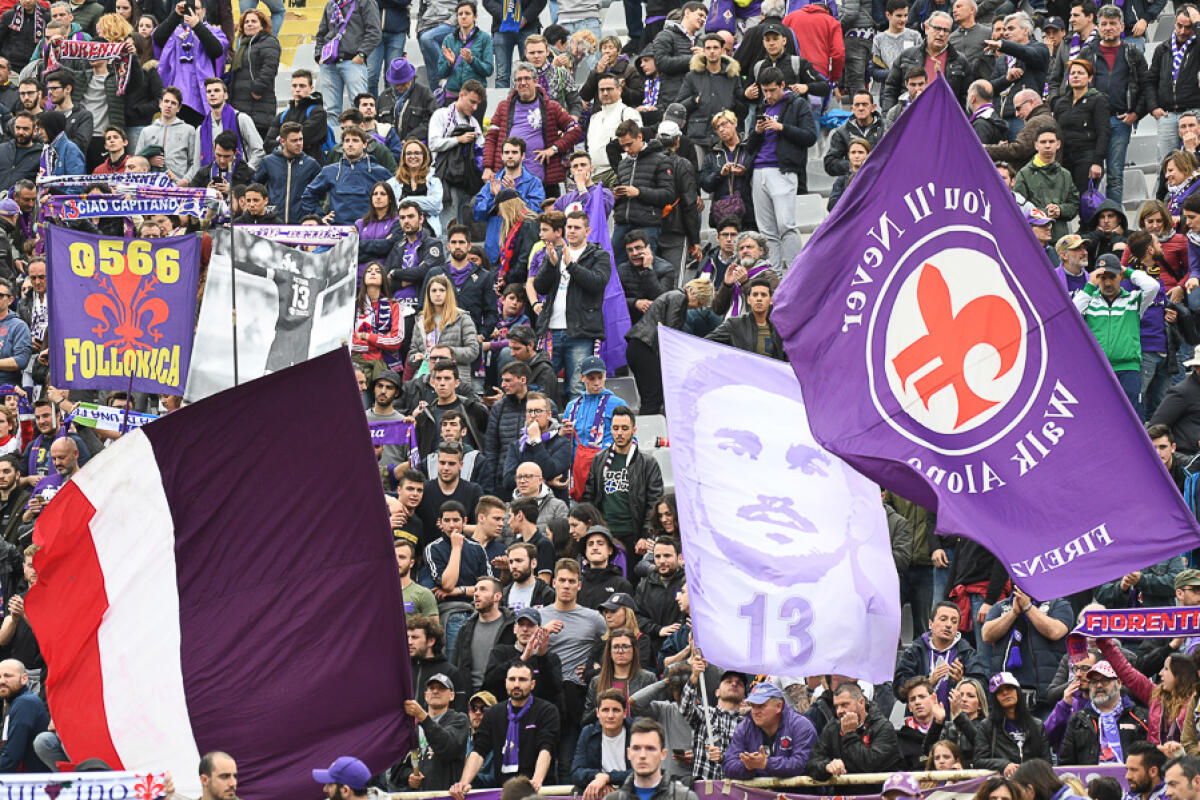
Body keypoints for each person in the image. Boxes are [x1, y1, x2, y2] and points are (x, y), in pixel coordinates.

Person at [532, 210, 611, 401]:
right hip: (551, 329)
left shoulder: (599, 255)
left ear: (588, 231)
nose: (572, 231)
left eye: (577, 228)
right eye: (569, 227)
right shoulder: (555, 253)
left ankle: (575, 428)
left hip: (581, 332)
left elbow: (597, 283)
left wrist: (571, 265)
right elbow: (539, 287)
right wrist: (551, 265)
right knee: (543, 386)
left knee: (577, 388)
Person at [450, 661, 559, 796]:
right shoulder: (493, 713)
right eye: (512, 679)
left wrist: (536, 780)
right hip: (503, 792)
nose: (516, 684)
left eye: (522, 680)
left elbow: (546, 748)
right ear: (506, 682)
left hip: (538, 792)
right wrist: (463, 782)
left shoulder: (547, 710)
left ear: (532, 684)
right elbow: (479, 751)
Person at [540, 558, 607, 776]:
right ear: (554, 583)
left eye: (572, 581)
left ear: (579, 585)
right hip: (546, 693)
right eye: (562, 580)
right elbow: (522, 650)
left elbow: (615, 643)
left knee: (569, 762)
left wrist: (596, 669)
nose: (567, 585)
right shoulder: (540, 616)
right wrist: (543, 633)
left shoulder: (593, 618)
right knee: (544, 762)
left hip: (576, 696)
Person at [746, 67, 816, 271]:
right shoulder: (762, 107)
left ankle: (796, 273)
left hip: (783, 169)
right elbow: (750, 146)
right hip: (759, 171)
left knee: (786, 225)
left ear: (782, 86)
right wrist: (757, 132)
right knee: (766, 230)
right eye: (765, 90)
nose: (768, 95)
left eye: (772, 90)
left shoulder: (798, 104)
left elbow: (810, 136)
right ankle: (773, 276)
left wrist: (782, 128)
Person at [1074, 253, 1162, 413]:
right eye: (1102, 277)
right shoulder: (1089, 301)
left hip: (1128, 369)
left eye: (1112, 276)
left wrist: (1126, 270)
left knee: (1132, 416)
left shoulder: (1134, 300)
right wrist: (1089, 286)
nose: (1107, 282)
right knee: (1099, 415)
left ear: (1120, 276)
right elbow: (1071, 315)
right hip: (1098, 369)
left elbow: (1153, 286)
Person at [481, 61, 581, 196]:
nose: (523, 83)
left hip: (543, 182)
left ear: (536, 81)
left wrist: (554, 149)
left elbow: (574, 130)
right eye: (519, 79)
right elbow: (491, 138)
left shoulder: (551, 107)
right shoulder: (503, 107)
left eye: (527, 78)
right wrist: (487, 167)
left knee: (545, 217)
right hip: (508, 180)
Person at [624, 279, 715, 415]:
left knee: (649, 397)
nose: (696, 308)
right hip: (645, 347)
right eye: (699, 303)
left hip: (638, 346)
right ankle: (649, 433)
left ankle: (645, 430)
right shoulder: (679, 298)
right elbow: (671, 331)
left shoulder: (673, 296)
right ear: (694, 293)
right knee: (654, 397)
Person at [580, 407, 662, 557]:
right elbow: (589, 498)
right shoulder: (599, 460)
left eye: (625, 428)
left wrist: (645, 535)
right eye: (615, 428)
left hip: (634, 535)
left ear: (634, 430)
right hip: (605, 533)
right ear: (610, 429)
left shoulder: (648, 463)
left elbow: (654, 503)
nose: (619, 433)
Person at [894, 601, 984, 714]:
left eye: (954, 621)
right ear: (930, 624)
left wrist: (962, 682)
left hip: (956, 725)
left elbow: (982, 688)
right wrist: (927, 682)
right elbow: (899, 689)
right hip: (920, 725)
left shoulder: (967, 653)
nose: (948, 625)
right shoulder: (915, 651)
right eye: (943, 619)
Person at [1059, 661, 1149, 764]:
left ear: (1119, 683)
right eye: (1094, 681)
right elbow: (1066, 763)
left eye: (1105, 680)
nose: (1099, 685)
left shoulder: (1139, 717)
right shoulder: (1078, 720)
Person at [611, 121, 675, 265]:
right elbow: (618, 188)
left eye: (629, 144)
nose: (626, 149)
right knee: (617, 270)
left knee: (645, 269)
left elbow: (668, 194)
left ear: (640, 137)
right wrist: (615, 196)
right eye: (623, 146)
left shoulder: (661, 160)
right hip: (622, 224)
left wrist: (639, 192)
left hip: (647, 224)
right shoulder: (623, 164)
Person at [723, 681, 817, 779]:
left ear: (779, 706)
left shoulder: (801, 726)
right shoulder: (744, 727)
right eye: (753, 706)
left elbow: (802, 764)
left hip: (797, 793)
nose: (755, 712)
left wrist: (766, 763)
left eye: (761, 706)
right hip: (759, 793)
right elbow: (728, 765)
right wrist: (747, 766)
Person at [807, 683, 903, 778]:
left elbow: (870, 766)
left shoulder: (883, 727)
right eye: (836, 706)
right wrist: (827, 766)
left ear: (861, 702)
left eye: (844, 705)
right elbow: (812, 762)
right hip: (842, 791)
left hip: (875, 792)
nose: (839, 711)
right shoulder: (833, 727)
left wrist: (849, 734)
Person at [393, 676, 471, 791]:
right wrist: (409, 776)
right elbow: (396, 769)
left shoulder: (459, 720)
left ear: (452, 695)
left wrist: (423, 718)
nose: (435, 691)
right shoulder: (413, 728)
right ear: (425, 695)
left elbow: (447, 747)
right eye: (431, 688)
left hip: (446, 796)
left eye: (441, 688)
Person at [882, 12, 970, 113]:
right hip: (910, 117)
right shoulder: (907, 56)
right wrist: (887, 118)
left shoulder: (960, 61)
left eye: (946, 30)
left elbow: (965, 98)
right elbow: (891, 90)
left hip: (944, 120)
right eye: (937, 28)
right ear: (927, 28)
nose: (941, 34)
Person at [678, 651, 745, 782]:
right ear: (717, 692)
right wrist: (695, 676)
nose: (734, 684)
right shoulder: (705, 714)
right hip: (704, 791)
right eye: (728, 681)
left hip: (734, 792)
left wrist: (725, 757)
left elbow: (754, 761)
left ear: (744, 697)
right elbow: (685, 709)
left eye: (740, 683)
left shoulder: (748, 725)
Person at [482, 607, 564, 707]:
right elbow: (489, 682)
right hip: (505, 711)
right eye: (521, 625)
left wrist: (542, 658)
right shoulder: (501, 652)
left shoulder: (551, 658)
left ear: (539, 629)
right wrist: (522, 658)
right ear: (514, 628)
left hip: (538, 714)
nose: (525, 629)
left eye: (530, 625)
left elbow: (555, 692)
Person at [1147, 5, 1200, 161]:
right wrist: (1153, 107)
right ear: (1174, 22)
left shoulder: (1197, 47)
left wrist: (1198, 23)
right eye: (1179, 25)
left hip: (1194, 112)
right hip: (1167, 114)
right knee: (1166, 166)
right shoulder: (1162, 49)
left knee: (1196, 161)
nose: (1182, 31)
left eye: (1188, 27)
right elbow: (1150, 81)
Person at [430, 83, 485, 231]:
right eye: (472, 102)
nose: (474, 108)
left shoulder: (473, 122)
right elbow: (433, 143)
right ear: (461, 95)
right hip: (445, 179)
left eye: (477, 104)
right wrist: (458, 140)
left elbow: (481, 149)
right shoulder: (441, 114)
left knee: (462, 227)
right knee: (448, 224)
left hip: (466, 181)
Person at [973, 672, 1051, 774]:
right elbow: (978, 761)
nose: (1005, 693)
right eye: (999, 691)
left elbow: (1047, 763)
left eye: (1009, 688)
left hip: (1032, 782)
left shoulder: (1037, 725)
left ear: (1017, 691)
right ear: (995, 698)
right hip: (1001, 783)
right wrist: (1004, 765)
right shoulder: (987, 726)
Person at [604, 719, 701, 800]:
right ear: (629, 753)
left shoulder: (685, 798)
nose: (642, 755)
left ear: (663, 754)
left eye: (650, 748)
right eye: (636, 748)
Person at [314, 0, 380, 118]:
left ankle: (361, 136)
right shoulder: (330, 5)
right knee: (330, 111)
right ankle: (334, 136)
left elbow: (374, 32)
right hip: (329, 63)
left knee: (360, 109)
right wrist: (319, 56)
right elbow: (321, 34)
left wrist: (362, 54)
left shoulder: (365, 2)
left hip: (353, 61)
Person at [1053, 58, 1110, 194]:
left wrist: (1097, 162)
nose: (1076, 76)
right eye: (1072, 73)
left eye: (1080, 73)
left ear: (1090, 78)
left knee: (1084, 201)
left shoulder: (1098, 100)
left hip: (1087, 157)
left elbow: (1104, 133)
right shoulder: (1061, 103)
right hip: (1065, 158)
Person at [1015, 129, 1081, 242]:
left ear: (1058, 144)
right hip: (1035, 240)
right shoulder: (1024, 174)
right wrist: (1045, 213)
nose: (1047, 145)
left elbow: (1074, 205)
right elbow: (1018, 208)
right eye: (1043, 142)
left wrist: (1060, 210)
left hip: (1061, 239)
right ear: (1036, 145)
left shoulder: (1065, 174)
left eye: (1051, 141)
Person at [452, 576, 515, 694]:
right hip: (470, 699)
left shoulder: (511, 627)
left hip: (501, 697)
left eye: (483, 589)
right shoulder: (465, 628)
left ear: (497, 596)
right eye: (475, 590)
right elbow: (456, 664)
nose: (476, 594)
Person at [503, 395, 571, 499]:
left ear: (548, 415)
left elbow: (550, 471)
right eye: (529, 411)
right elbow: (508, 481)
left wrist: (536, 441)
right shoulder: (517, 446)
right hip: (523, 506)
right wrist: (547, 482)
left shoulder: (563, 444)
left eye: (538, 411)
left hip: (553, 508)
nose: (533, 415)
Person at [227, 9, 279, 140]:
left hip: (258, 104)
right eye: (246, 22)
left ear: (262, 25)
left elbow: (269, 68)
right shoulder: (243, 45)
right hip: (239, 104)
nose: (249, 24)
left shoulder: (269, 42)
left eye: (254, 21)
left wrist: (257, 89)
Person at [572, 688, 633, 799]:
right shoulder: (588, 732)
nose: (610, 715)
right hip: (599, 792)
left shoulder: (636, 731)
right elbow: (576, 771)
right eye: (605, 710)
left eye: (616, 710)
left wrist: (608, 778)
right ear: (597, 713)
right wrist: (598, 777)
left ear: (624, 713)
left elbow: (641, 772)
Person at [706, 276, 786, 360]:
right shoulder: (734, 324)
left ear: (771, 300)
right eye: (755, 295)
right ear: (748, 300)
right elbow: (705, 343)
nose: (759, 299)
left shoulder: (778, 330)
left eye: (763, 295)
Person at [582, 629, 655, 722]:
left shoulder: (648, 678)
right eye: (615, 647)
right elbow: (586, 720)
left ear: (634, 650)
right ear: (609, 652)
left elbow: (655, 714)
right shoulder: (596, 681)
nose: (620, 651)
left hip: (638, 732)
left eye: (625, 646)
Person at [984, 89, 1060, 169]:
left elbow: (1018, 150)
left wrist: (986, 149)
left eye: (1018, 108)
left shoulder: (1037, 121)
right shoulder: (1046, 118)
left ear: (1031, 102)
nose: (1016, 114)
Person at [265, 69, 329, 162]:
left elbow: (303, 139)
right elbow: (267, 144)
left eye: (302, 86)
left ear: (311, 88)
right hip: (284, 166)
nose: (297, 89)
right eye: (294, 86)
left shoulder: (318, 113)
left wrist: (280, 139)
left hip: (310, 168)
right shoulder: (282, 115)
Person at [436, 1, 494, 98]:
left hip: (475, 96)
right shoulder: (449, 39)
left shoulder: (485, 38)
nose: (463, 16)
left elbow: (488, 70)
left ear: (475, 16)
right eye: (460, 14)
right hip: (452, 95)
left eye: (467, 13)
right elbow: (441, 73)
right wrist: (450, 64)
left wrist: (472, 60)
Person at [0, 659, 47, 772]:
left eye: (8, 676)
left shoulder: (25, 702)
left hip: (34, 783)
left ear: (24, 678)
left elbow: (12, 756)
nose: (2, 681)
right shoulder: (13, 702)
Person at [825, 92, 883, 177]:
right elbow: (830, 163)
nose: (860, 108)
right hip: (853, 182)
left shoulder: (886, 129)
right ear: (852, 108)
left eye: (864, 104)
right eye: (857, 105)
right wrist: (854, 165)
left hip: (880, 180)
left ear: (873, 107)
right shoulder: (841, 132)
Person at [578, 527, 631, 609]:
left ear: (610, 550)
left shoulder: (621, 585)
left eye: (600, 543)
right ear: (585, 551)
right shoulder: (576, 583)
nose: (595, 547)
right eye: (590, 544)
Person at [0, 281, 30, 389]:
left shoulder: (19, 326)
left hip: (7, 392)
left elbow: (21, 360)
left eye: (0, 296)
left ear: (10, 300)